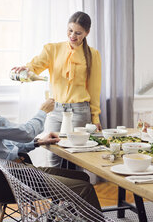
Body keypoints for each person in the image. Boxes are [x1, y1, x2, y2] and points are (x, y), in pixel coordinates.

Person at [0, 59, 101, 210]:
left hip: (16, 171)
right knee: (84, 188)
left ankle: (66, 218)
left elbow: (4, 145)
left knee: (81, 177)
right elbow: (26, 133)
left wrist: (37, 143)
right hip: (13, 179)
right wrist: (43, 111)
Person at [12, 11, 102, 167]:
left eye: (78, 33)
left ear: (87, 33)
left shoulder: (93, 55)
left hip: (80, 111)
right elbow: (36, 65)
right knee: (54, 154)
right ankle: (56, 191)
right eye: (70, 30)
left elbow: (94, 89)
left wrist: (95, 118)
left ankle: (76, 191)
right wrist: (25, 69)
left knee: (76, 158)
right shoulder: (52, 49)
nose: (72, 35)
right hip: (56, 110)